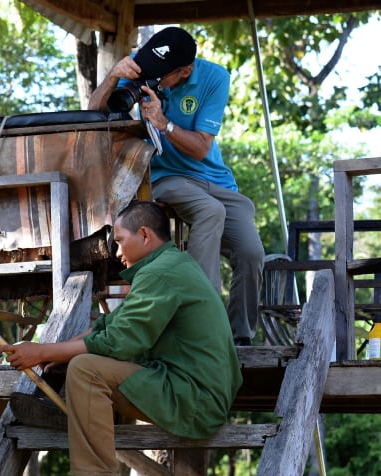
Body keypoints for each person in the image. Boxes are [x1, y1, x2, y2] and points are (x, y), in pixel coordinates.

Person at [0, 200, 242, 476]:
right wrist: (54, 353)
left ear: (144, 235)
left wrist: (42, 352)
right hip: (183, 387)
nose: (115, 253)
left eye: (119, 241)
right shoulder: (167, 266)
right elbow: (107, 326)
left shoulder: (161, 273)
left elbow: (118, 343)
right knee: (76, 363)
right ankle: (76, 406)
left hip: (195, 399)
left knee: (86, 369)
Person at [89, 26, 265, 346]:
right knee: (209, 211)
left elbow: (200, 147)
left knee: (252, 252)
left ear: (185, 71)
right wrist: (114, 76)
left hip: (216, 179)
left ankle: (239, 337)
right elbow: (91, 113)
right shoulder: (144, 69)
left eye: (161, 74)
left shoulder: (215, 79)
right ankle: (200, 322)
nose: (151, 78)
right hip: (165, 177)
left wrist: (164, 124)